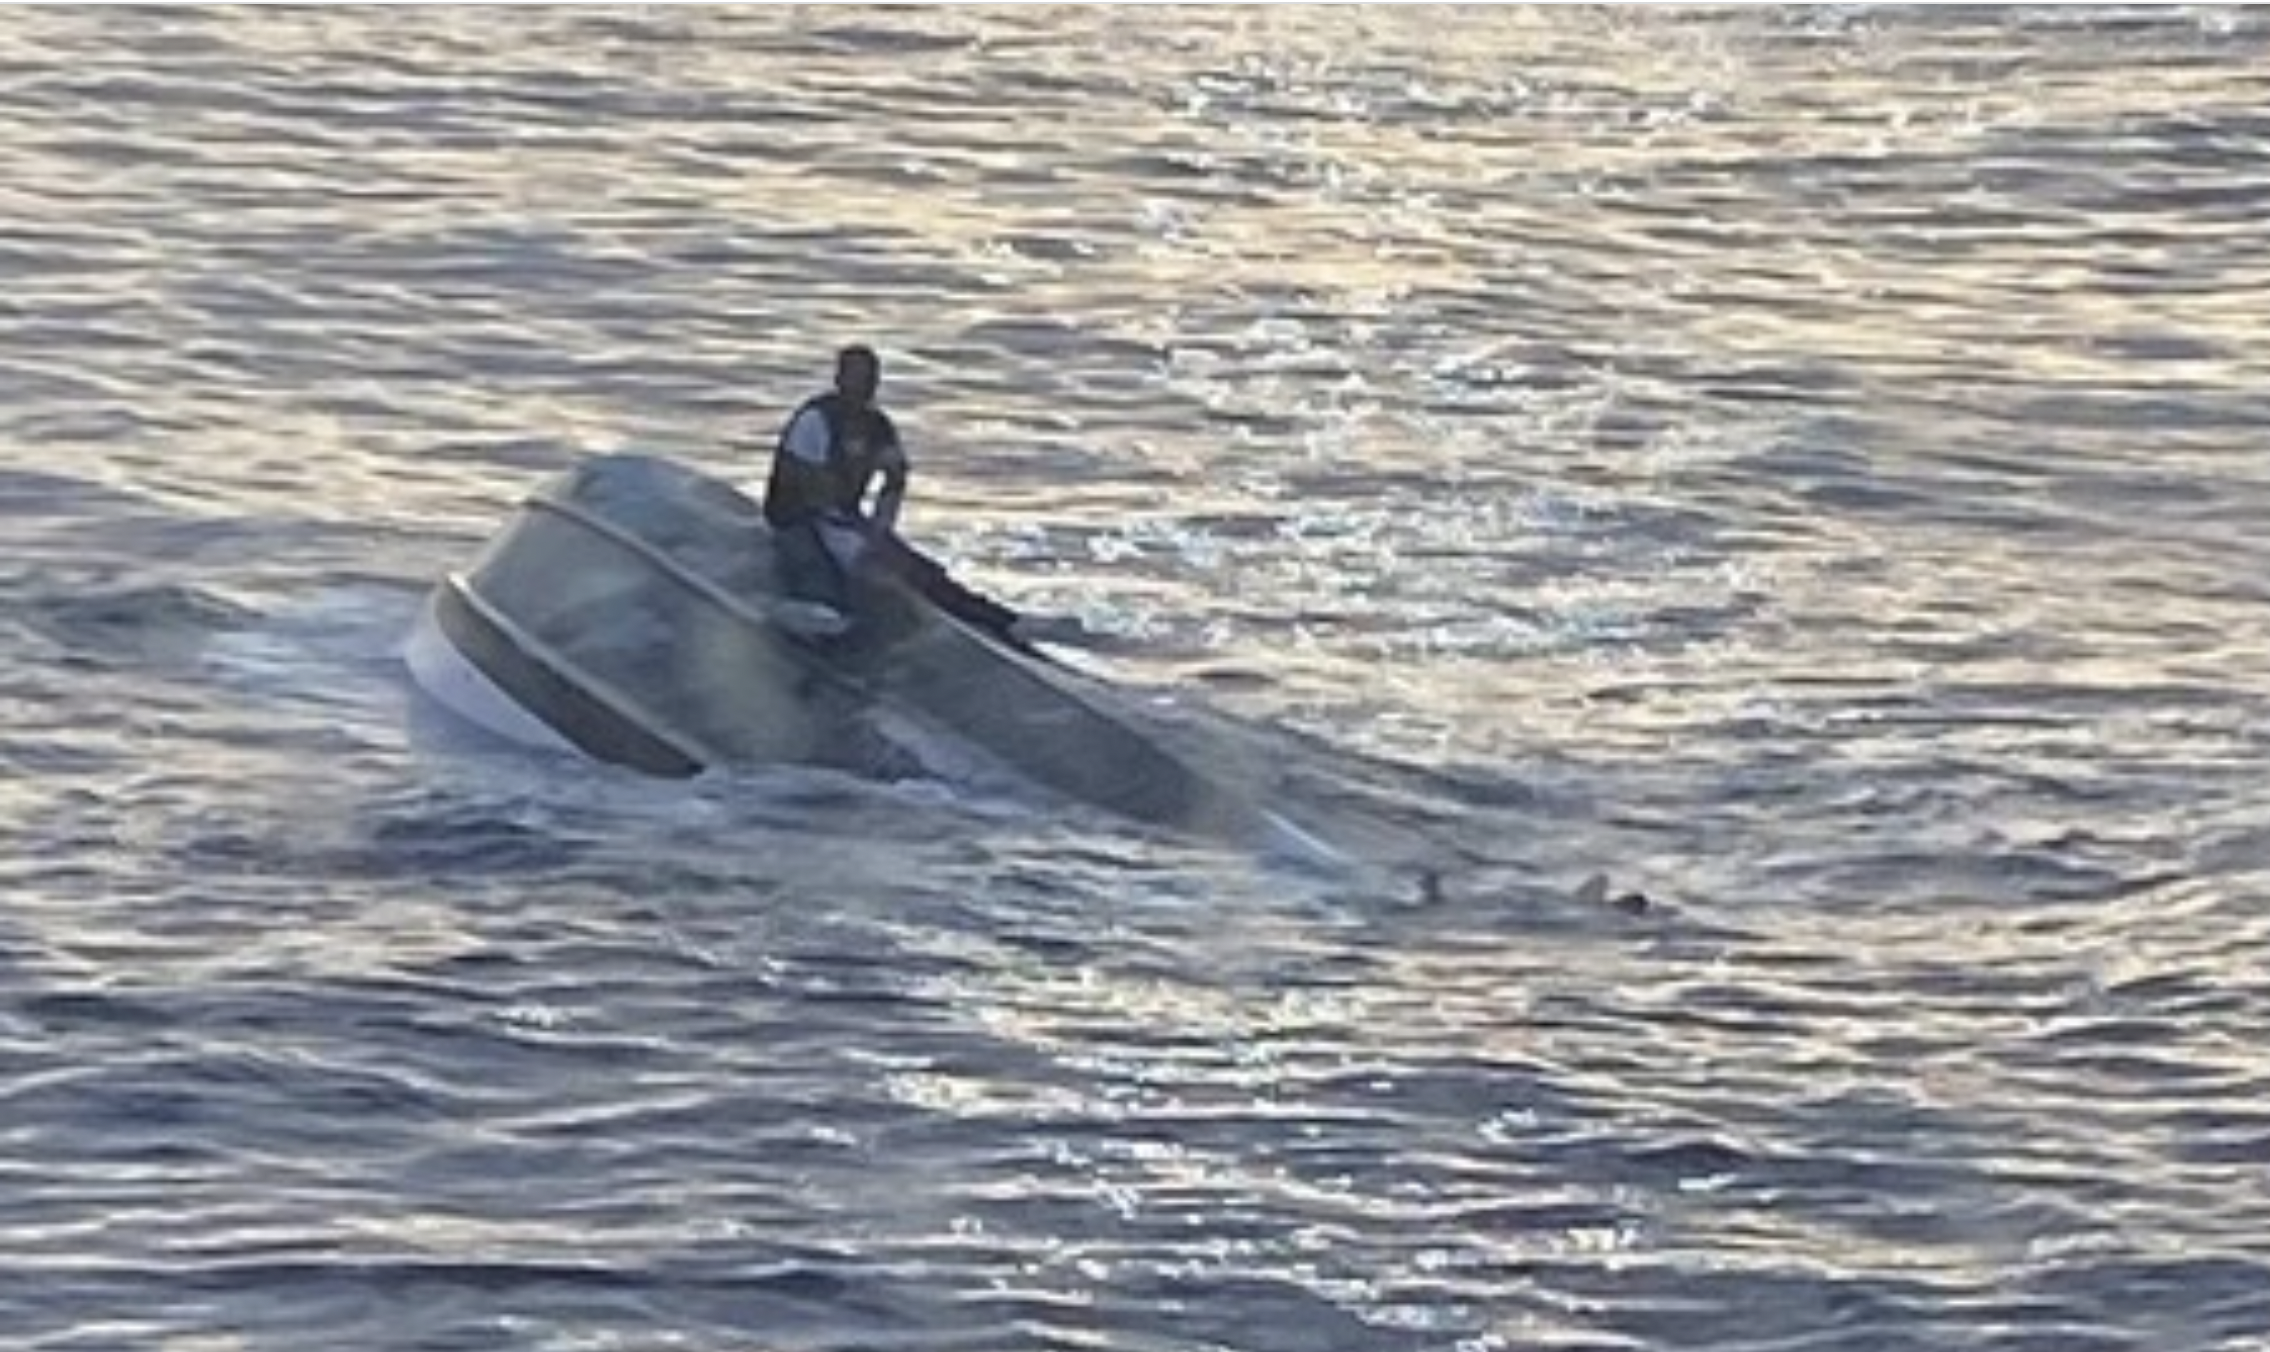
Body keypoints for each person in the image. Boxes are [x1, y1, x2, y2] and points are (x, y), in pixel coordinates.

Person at [761, 345, 1026, 643]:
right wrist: (855, 541)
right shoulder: (816, 419)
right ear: (839, 379)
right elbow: (807, 483)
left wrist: (880, 527)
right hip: (797, 516)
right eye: (856, 378)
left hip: (845, 519)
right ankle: (817, 617)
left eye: (870, 380)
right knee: (818, 565)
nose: (864, 388)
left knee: (916, 569)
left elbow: (895, 478)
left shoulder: (878, 427)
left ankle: (997, 619)